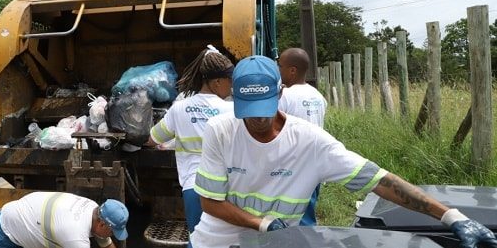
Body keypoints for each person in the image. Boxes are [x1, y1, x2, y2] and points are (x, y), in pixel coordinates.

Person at [190, 55, 497, 248]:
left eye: (264, 109)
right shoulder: (221, 130)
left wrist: (451, 216)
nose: (256, 119)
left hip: (274, 243)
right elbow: (210, 202)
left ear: (280, 93)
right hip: (215, 241)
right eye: (248, 110)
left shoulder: (311, 142)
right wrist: (263, 222)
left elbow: (380, 181)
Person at [145, 45, 234, 243]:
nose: (231, 86)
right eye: (230, 81)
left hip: (194, 189)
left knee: (199, 239)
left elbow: (152, 139)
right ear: (217, 82)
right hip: (227, 188)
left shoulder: (179, 108)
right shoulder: (233, 110)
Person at [277, 47, 327, 226]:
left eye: (280, 65)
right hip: (316, 161)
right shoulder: (318, 96)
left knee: (295, 217)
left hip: (293, 165)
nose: (278, 69)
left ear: (292, 70)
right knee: (308, 209)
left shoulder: (286, 97)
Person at [0, 191, 129, 248]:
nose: (112, 235)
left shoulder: (94, 209)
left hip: (29, 227)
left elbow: (106, 244)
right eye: (112, 232)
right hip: (5, 230)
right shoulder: (76, 237)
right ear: (102, 224)